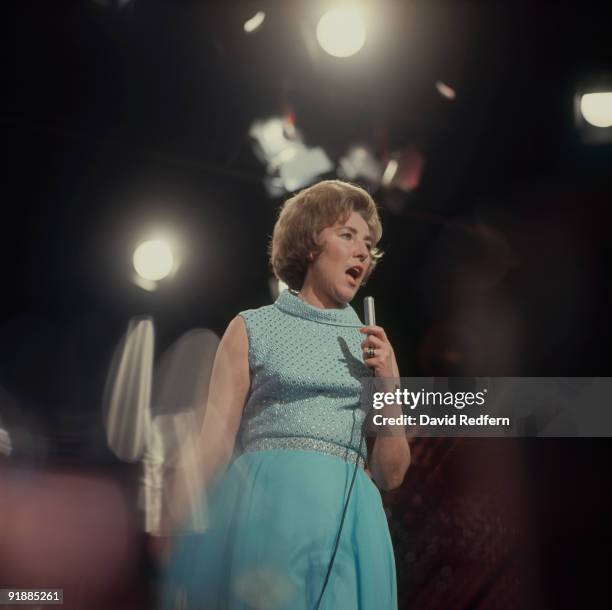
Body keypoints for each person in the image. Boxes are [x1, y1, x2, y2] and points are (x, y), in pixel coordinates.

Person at [162, 179, 411, 610]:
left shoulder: (374, 349)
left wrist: (388, 383)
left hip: (351, 525)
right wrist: (175, 522)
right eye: (347, 235)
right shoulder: (252, 327)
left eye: (368, 243)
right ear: (310, 243)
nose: (361, 252)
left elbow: (391, 475)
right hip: (267, 515)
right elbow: (213, 443)